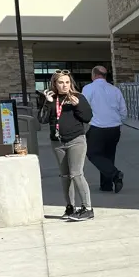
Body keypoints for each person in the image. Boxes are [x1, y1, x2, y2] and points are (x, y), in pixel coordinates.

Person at [39, 69, 94, 221]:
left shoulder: (78, 97)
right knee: (65, 176)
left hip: (76, 140)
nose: (64, 85)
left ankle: (87, 208)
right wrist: (46, 103)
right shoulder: (51, 99)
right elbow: (42, 120)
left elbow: (88, 117)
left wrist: (78, 106)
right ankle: (70, 207)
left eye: (67, 82)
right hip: (58, 142)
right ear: (55, 84)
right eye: (61, 82)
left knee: (76, 173)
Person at [82, 65, 128, 193]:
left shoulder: (88, 88)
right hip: (114, 128)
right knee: (108, 156)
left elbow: (84, 108)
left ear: (94, 74)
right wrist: (119, 121)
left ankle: (115, 174)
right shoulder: (115, 90)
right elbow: (123, 110)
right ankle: (106, 185)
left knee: (92, 153)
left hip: (98, 127)